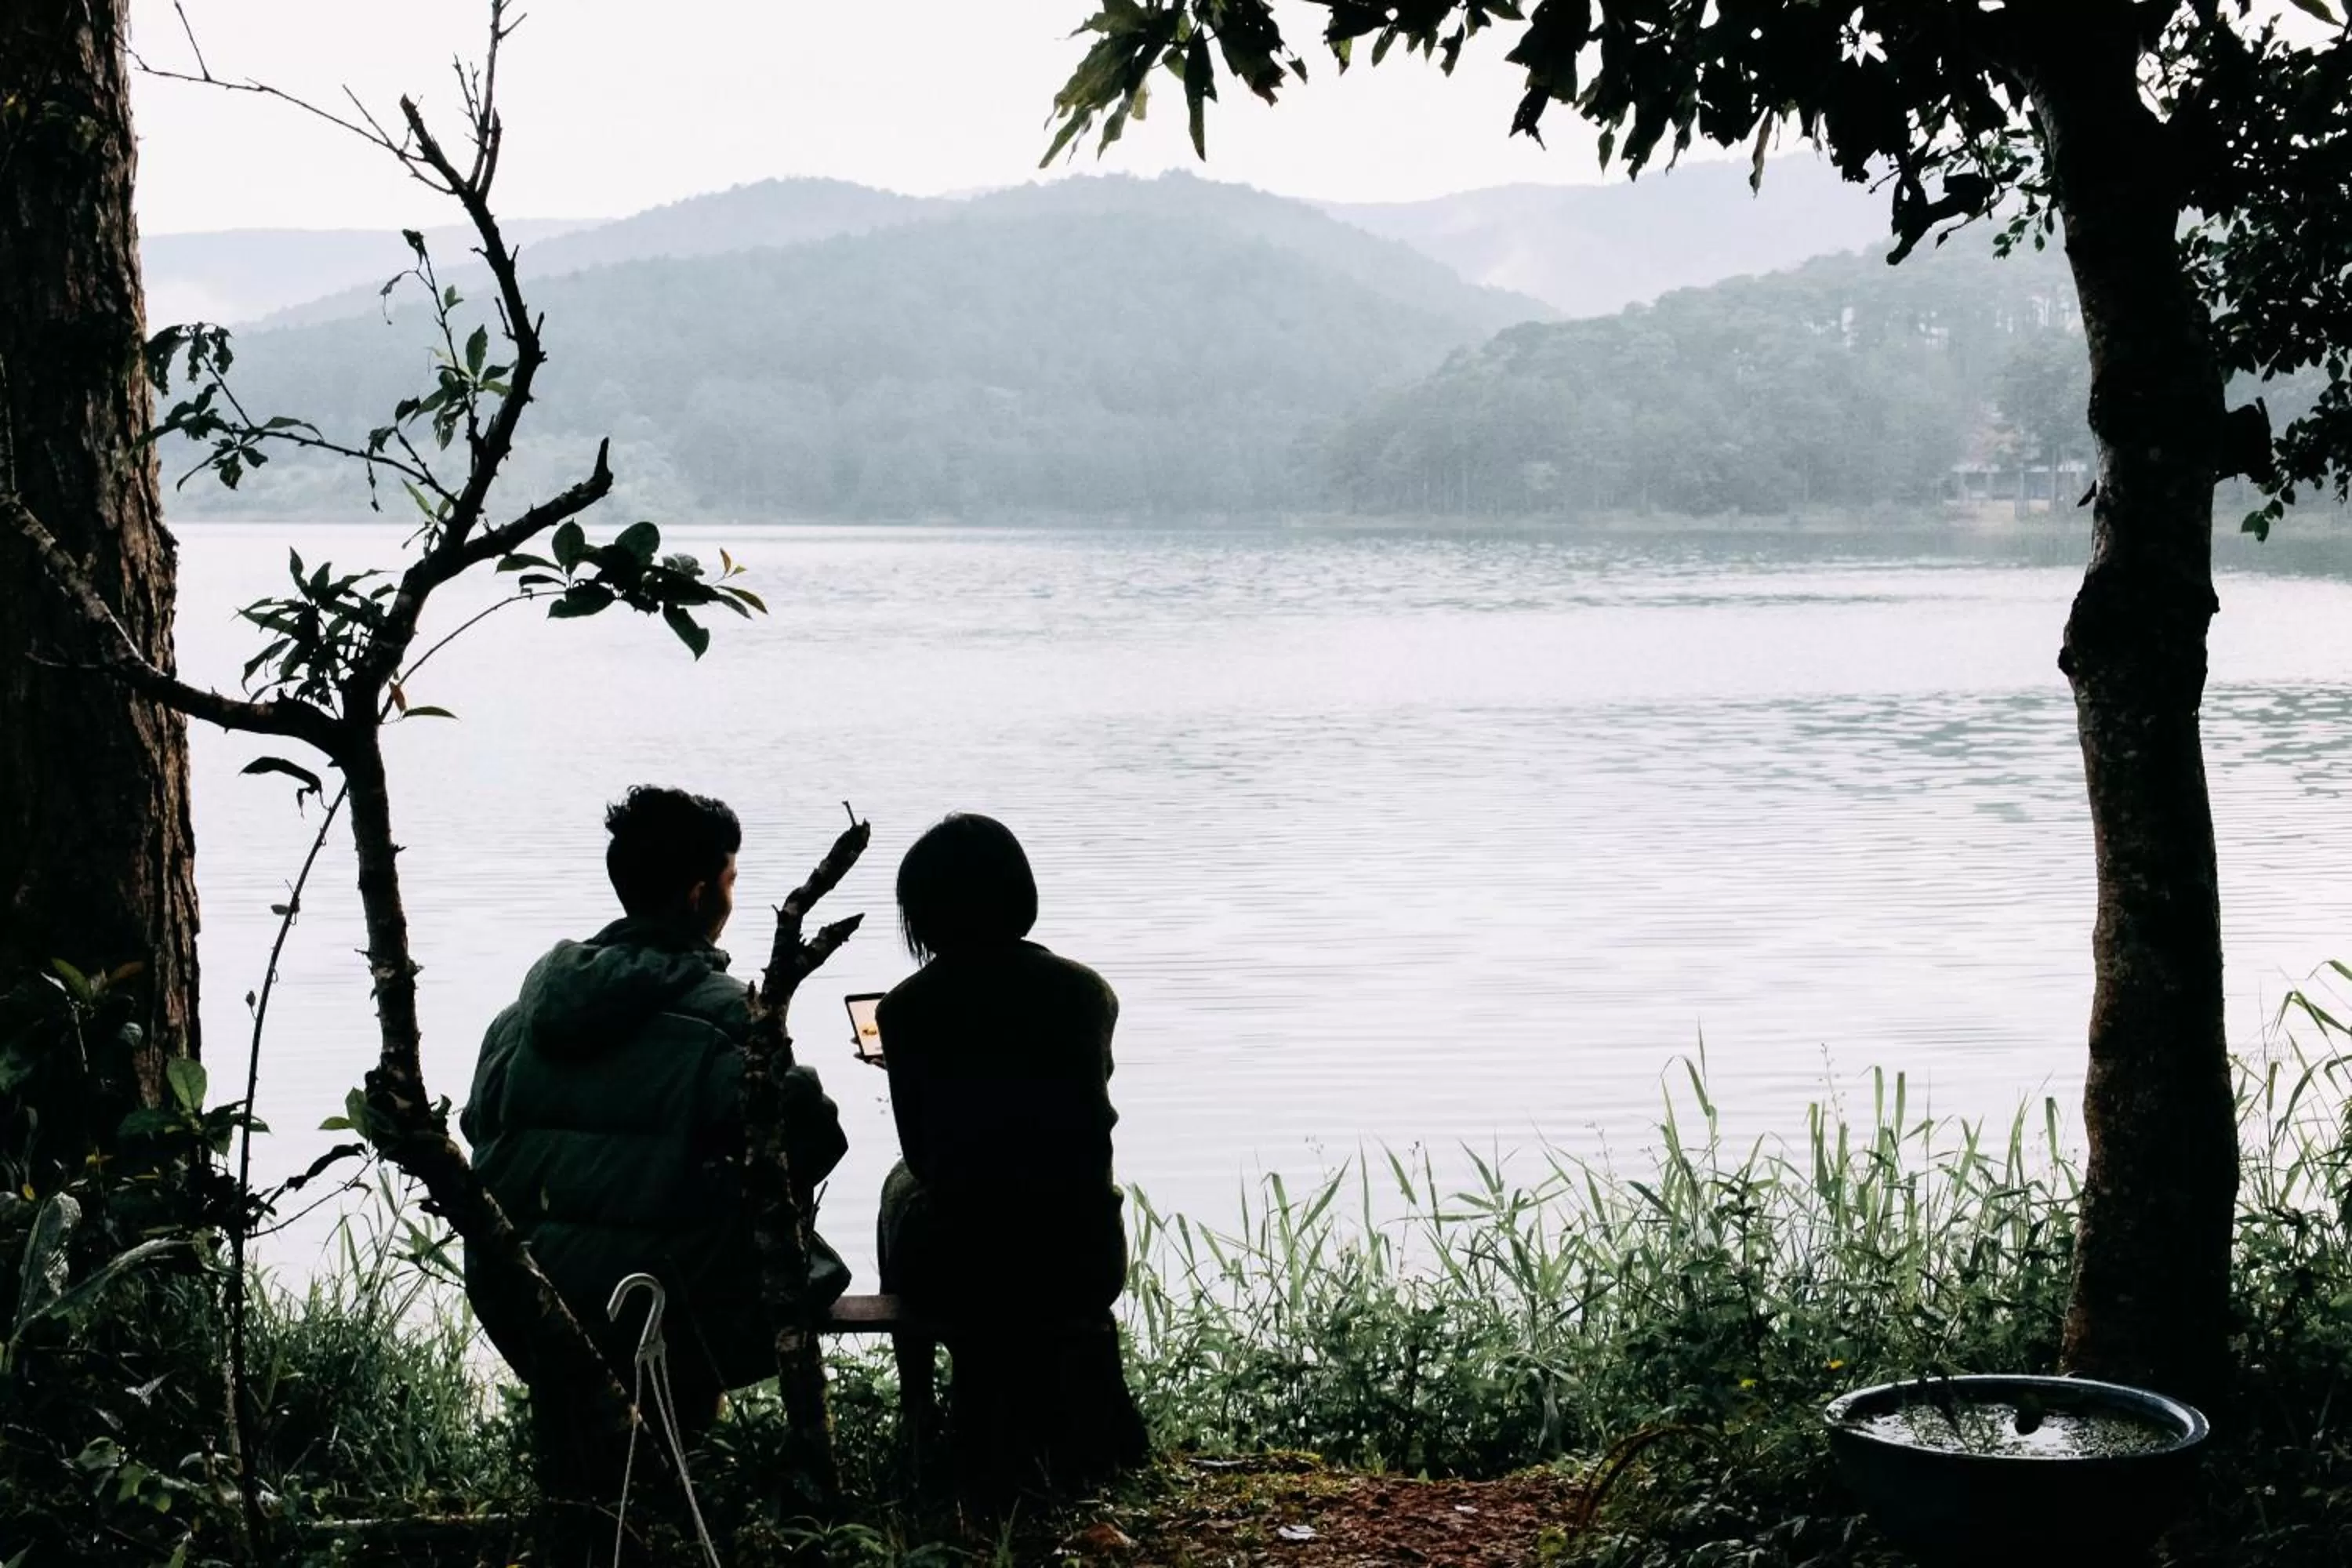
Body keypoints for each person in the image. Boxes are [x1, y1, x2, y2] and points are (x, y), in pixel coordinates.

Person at [463, 786, 849, 1464]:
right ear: (699, 896)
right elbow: (811, 1137)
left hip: (525, 1297)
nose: (733, 898)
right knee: (774, 1250)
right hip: (658, 1308)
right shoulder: (730, 1017)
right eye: (731, 881)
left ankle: (592, 1498)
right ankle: (685, 1464)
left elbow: (480, 1131)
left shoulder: (522, 1015)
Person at [874, 812, 1146, 1497]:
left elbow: (928, 1156)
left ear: (924, 917)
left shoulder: (906, 1012)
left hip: (966, 1267)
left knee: (898, 1185)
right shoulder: (1088, 993)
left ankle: (919, 1413)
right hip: (1084, 1257)